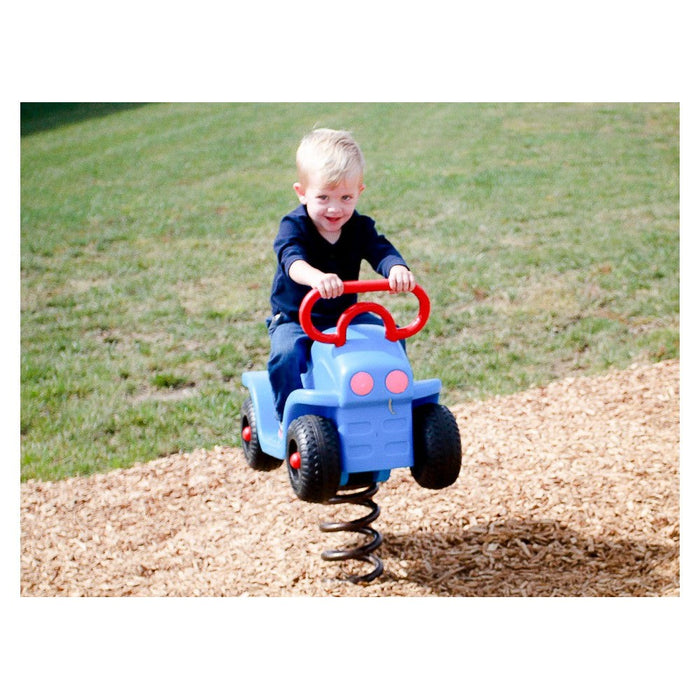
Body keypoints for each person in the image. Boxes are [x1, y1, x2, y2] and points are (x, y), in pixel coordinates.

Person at [267, 127, 416, 422]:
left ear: (359, 192)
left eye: (346, 197)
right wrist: (316, 278)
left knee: (391, 337)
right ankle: (291, 418)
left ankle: (385, 403)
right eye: (323, 197)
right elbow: (291, 260)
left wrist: (396, 268)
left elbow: (379, 249)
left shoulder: (358, 227)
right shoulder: (293, 226)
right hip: (296, 317)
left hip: (345, 315)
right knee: (284, 355)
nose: (335, 209)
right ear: (302, 193)